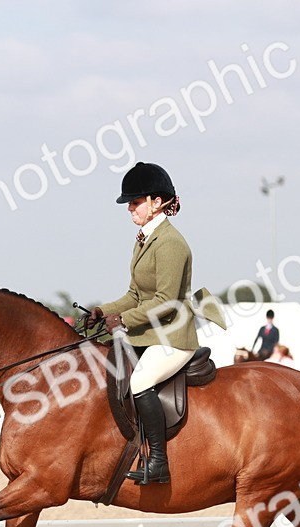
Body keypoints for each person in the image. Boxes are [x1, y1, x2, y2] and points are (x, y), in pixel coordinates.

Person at [91, 162, 223, 485]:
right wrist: (102, 311)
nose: (130, 209)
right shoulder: (144, 240)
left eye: (135, 202)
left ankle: (159, 462)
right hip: (150, 334)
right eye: (130, 203)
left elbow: (165, 301)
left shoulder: (171, 244)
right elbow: (135, 295)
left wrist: (123, 320)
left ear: (156, 202)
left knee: (140, 381)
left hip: (173, 338)